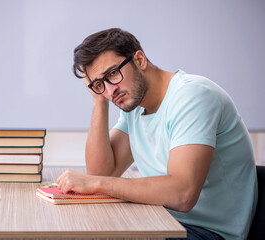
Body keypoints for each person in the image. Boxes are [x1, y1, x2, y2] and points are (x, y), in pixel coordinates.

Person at [56, 28, 258, 240]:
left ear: (140, 59)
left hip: (208, 232)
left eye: (113, 74)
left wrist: (96, 184)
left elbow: (183, 194)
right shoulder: (133, 105)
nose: (109, 91)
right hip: (161, 220)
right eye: (99, 84)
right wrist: (98, 100)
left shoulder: (193, 97)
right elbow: (101, 172)